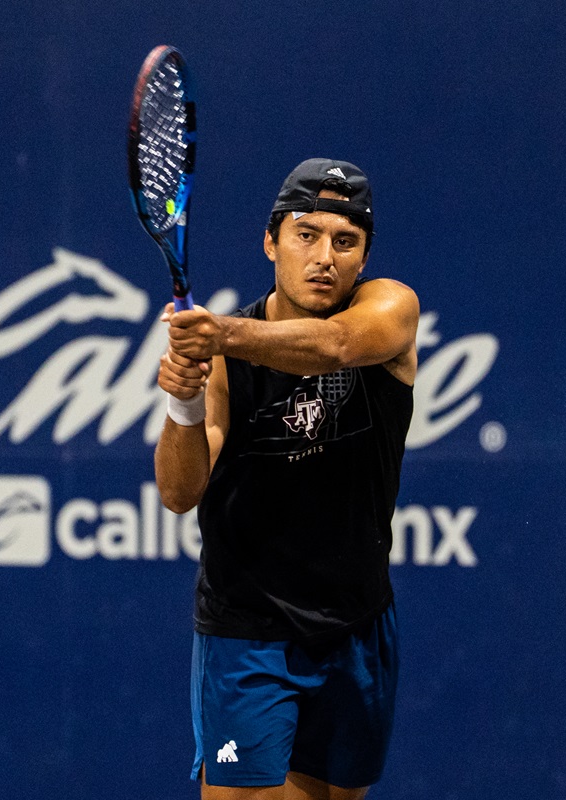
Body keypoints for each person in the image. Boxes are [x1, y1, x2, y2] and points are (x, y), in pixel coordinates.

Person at [154, 159, 420, 800]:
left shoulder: (391, 310)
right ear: (271, 242)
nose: (325, 256)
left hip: (356, 626)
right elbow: (179, 494)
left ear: (364, 258)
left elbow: (334, 346)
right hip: (247, 633)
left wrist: (221, 334)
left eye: (345, 241)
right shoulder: (227, 363)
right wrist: (184, 403)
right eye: (307, 234)